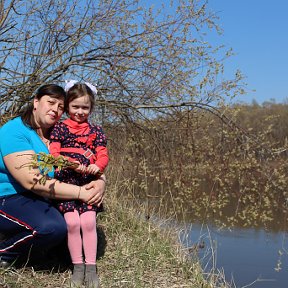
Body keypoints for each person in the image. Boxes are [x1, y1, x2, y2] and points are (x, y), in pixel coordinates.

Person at [0, 84, 106, 272]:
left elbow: (88, 158)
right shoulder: (15, 130)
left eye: (60, 107)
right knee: (52, 228)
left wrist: (100, 181)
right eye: (51, 103)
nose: (55, 110)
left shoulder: (59, 132)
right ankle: (5, 253)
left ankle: (49, 250)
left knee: (70, 245)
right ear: (36, 102)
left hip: (43, 197)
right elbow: (31, 180)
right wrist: (81, 192)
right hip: (10, 197)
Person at [49, 80, 109, 288]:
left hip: (87, 182)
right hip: (66, 181)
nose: (80, 111)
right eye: (75, 107)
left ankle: (91, 267)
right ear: (67, 107)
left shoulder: (96, 130)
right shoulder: (59, 129)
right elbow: (54, 154)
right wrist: (69, 163)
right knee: (73, 223)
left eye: (85, 107)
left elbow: (102, 155)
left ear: (91, 108)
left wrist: (98, 167)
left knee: (89, 222)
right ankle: (78, 266)